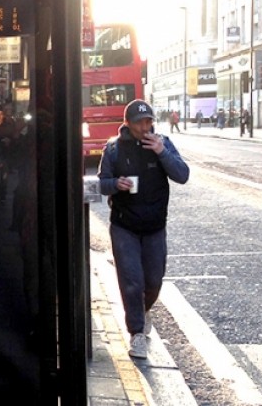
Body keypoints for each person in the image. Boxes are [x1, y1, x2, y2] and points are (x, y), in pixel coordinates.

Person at [97, 99, 190, 359]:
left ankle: (144, 310)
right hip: (124, 225)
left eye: (148, 121)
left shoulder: (164, 144)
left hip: (155, 226)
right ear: (127, 124)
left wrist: (162, 152)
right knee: (131, 280)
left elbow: (182, 175)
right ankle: (136, 332)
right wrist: (117, 183)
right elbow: (101, 183)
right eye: (139, 122)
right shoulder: (114, 149)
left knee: (153, 280)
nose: (145, 127)